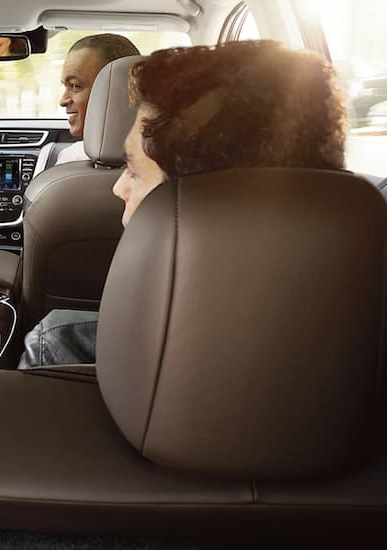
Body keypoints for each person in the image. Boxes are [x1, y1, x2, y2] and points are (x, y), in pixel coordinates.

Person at [19, 40, 347, 368]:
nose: (119, 188)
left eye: (132, 169)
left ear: (205, 203)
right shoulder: (355, 309)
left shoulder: (59, 344)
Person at [55, 34, 140, 165]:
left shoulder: (71, 160)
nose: (63, 100)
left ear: (117, 92)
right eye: (65, 86)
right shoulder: (176, 164)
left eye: (75, 86)